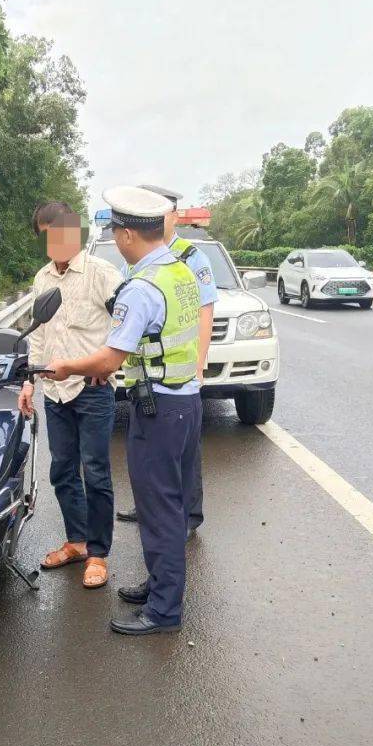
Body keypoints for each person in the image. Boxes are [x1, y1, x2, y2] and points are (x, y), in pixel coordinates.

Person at [43, 186, 201, 635]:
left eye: (116, 232)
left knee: (159, 510)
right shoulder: (179, 272)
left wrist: (67, 366)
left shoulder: (141, 289)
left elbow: (110, 359)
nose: (115, 240)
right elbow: (152, 340)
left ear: (128, 234)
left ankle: (164, 611)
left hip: (159, 411)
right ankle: (158, 586)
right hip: (184, 401)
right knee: (165, 505)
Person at [19, 202, 124, 589]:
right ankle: (77, 542)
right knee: (62, 469)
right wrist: (29, 381)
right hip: (55, 391)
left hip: (92, 389)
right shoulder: (42, 279)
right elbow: (38, 336)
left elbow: (126, 327)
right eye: (47, 235)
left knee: (95, 472)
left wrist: (108, 367)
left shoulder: (102, 274)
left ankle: (98, 554)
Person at [115, 184, 217, 535]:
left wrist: (198, 365)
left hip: (178, 376)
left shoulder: (189, 257)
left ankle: (188, 516)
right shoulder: (140, 261)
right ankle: (153, 509)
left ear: (172, 217)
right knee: (156, 463)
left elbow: (204, 313)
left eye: (160, 213)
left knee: (183, 456)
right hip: (147, 378)